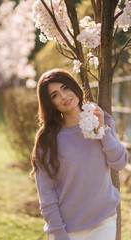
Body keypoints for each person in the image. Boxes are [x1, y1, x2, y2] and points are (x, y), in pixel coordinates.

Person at [30, 68, 128, 240]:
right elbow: (46, 193)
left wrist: (102, 130)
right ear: (50, 103)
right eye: (55, 95)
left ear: (74, 87)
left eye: (65, 88)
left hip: (103, 221)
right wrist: (58, 232)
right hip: (67, 228)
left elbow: (119, 163)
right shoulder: (47, 141)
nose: (63, 96)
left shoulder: (102, 119)